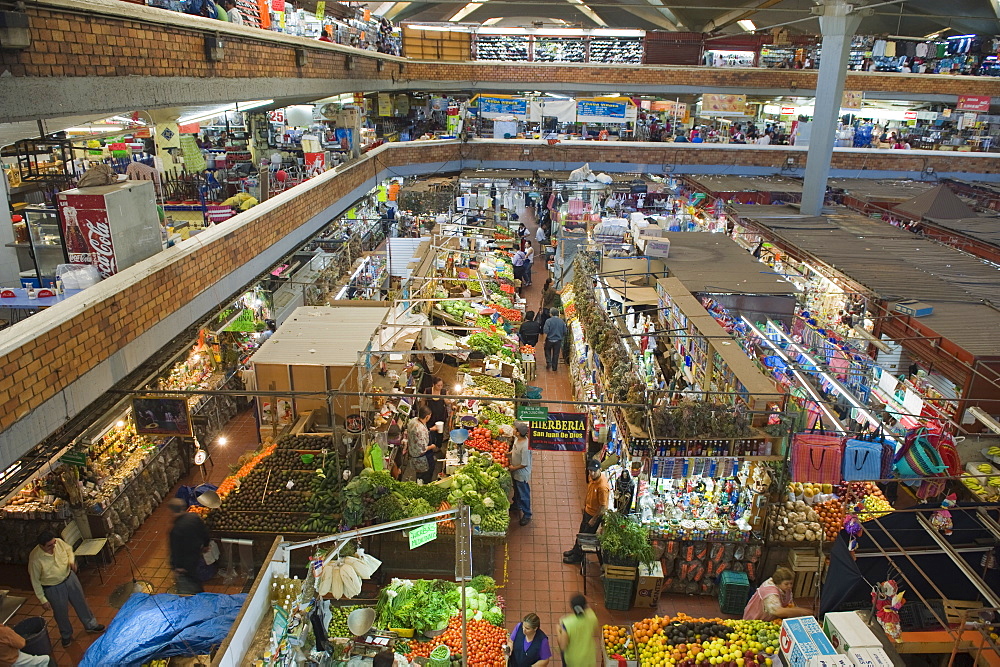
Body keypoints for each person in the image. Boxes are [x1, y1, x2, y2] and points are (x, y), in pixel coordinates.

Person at [28, 530, 104, 647]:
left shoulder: (58, 542)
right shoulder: (35, 559)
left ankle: (91, 625)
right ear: (41, 546)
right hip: (53, 587)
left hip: (70, 578)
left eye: (54, 543)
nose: (54, 546)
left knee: (81, 603)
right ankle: (66, 634)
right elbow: (35, 581)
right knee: (60, 612)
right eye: (49, 545)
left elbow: (69, 550)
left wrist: (71, 561)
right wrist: (43, 599)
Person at [563, 460, 608, 564]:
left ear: (600, 470)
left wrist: (594, 519)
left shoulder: (602, 487)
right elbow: (589, 492)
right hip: (588, 511)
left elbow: (603, 507)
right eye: (590, 471)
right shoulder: (591, 478)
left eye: (594, 471)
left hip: (593, 515)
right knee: (581, 532)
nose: (591, 473)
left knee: (585, 536)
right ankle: (575, 550)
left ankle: (577, 557)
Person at [168, 498, 211, 595]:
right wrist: (206, 544)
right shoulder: (194, 517)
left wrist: (177, 566)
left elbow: (176, 550)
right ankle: (200, 594)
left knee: (190, 583)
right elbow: (204, 531)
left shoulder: (176, 529)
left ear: (172, 511)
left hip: (186, 562)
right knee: (196, 577)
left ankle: (196, 597)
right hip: (196, 554)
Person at [743, 566, 812, 620]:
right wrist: (801, 611)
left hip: (771, 619)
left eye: (791, 583)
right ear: (778, 583)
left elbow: (789, 603)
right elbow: (777, 611)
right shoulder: (770, 591)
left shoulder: (785, 588)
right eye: (786, 584)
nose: (790, 586)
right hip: (758, 617)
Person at [421, 376, 450, 484]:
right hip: (430, 416)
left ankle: (437, 447)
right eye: (438, 385)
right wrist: (423, 412)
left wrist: (449, 400)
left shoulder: (443, 391)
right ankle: (431, 447)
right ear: (433, 385)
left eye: (441, 385)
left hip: (441, 416)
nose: (440, 387)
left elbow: (447, 402)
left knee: (440, 433)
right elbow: (423, 401)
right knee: (431, 432)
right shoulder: (428, 391)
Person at [556, 595, 598, 667]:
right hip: (589, 657)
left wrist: (558, 630)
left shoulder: (567, 624)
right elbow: (594, 631)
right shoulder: (592, 616)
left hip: (574, 660)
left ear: (572, 608)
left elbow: (563, 646)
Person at [509, 422, 533, 526]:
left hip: (521, 473)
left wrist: (513, 468)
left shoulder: (525, 447)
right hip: (515, 472)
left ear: (518, 433)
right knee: (517, 490)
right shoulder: (517, 439)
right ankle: (516, 505)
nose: (513, 430)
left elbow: (524, 464)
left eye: (515, 429)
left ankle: (527, 514)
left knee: (524, 494)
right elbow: (514, 450)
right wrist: (508, 454)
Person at [404, 406, 435, 482]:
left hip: (412, 453)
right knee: (425, 475)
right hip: (421, 458)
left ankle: (419, 481)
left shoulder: (413, 421)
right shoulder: (421, 430)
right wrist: (432, 446)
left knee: (418, 475)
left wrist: (431, 429)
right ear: (427, 417)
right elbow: (423, 449)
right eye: (430, 416)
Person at [541, 308, 566, 372]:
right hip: (558, 340)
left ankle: (549, 362)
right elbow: (565, 331)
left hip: (549, 339)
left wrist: (544, 340)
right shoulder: (562, 321)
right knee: (556, 353)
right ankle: (554, 367)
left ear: (551, 314)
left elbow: (546, 331)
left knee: (547, 350)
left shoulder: (548, 321)